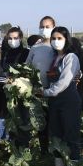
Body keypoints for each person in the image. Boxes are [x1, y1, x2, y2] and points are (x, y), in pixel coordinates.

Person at [35, 27, 81, 166]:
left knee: (70, 136)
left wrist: (45, 92)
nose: (56, 41)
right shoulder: (55, 58)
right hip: (54, 102)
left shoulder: (71, 57)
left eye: (59, 38)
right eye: (54, 38)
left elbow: (64, 82)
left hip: (69, 101)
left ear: (66, 40)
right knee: (56, 137)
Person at [25, 16, 57, 153]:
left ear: (54, 27)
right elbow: (26, 67)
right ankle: (44, 151)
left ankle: (56, 152)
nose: (44, 29)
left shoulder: (58, 46)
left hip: (55, 91)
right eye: (42, 26)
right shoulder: (35, 47)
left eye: (47, 27)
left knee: (55, 124)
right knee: (41, 123)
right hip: (38, 92)